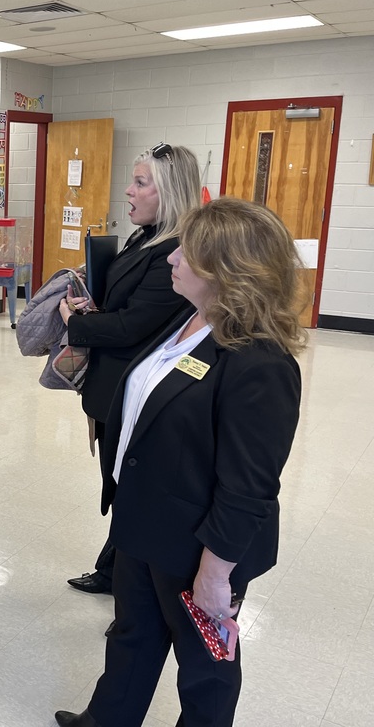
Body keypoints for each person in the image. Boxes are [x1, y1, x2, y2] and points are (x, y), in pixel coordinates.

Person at [55, 197, 306, 727]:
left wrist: (215, 575)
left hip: (200, 545)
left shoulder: (260, 363)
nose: (171, 258)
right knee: (133, 634)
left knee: (204, 668)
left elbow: (249, 488)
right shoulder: (190, 320)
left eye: (185, 253)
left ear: (224, 270)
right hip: (145, 521)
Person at [59, 143, 200, 600]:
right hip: (114, 385)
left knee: (131, 488)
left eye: (140, 183)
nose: (128, 191)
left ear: (171, 193)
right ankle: (114, 568)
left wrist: (75, 323)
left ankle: (128, 583)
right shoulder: (147, 238)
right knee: (121, 483)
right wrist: (94, 305)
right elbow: (126, 307)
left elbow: (133, 326)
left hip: (134, 392)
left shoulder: (175, 252)